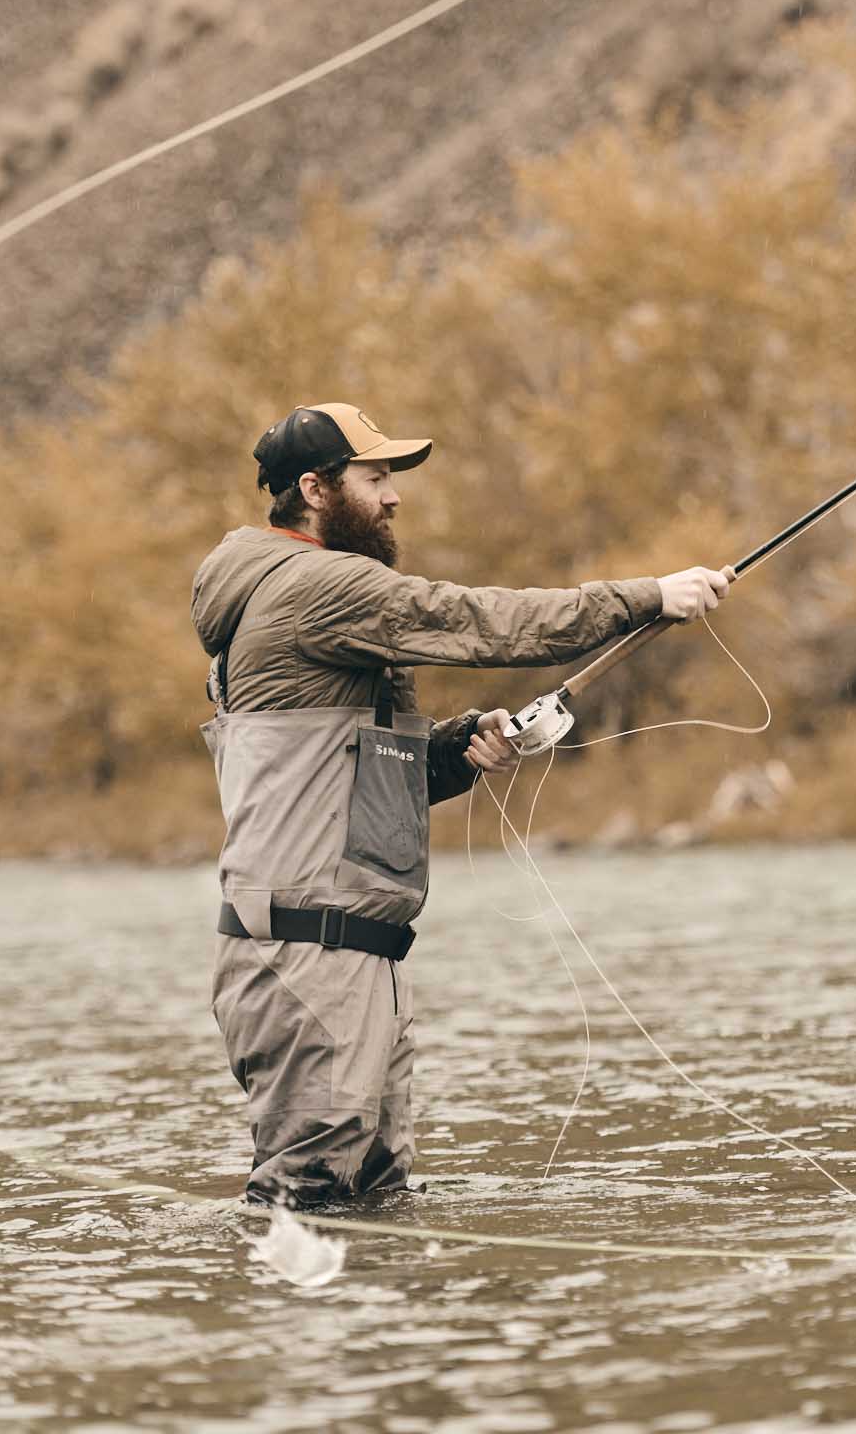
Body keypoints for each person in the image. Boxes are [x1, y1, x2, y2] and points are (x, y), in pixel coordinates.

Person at [189, 402, 732, 1207]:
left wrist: (450, 753)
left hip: (345, 952)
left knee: (372, 1198)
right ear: (314, 488)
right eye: (375, 479)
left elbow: (342, 779)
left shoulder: (295, 596)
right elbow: (482, 622)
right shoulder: (316, 586)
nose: (394, 497)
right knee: (306, 1204)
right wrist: (647, 595)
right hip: (310, 960)